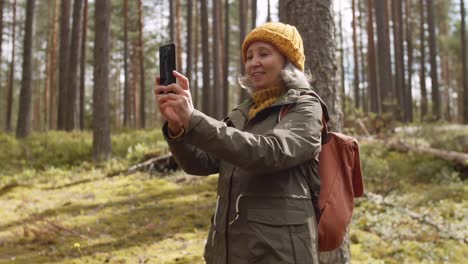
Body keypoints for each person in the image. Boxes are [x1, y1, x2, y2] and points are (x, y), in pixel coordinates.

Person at [155, 22, 325, 264]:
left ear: (288, 61)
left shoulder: (305, 107)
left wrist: (194, 119)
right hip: (229, 250)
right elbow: (201, 163)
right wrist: (178, 127)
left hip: (278, 252)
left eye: (264, 54)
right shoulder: (244, 113)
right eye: (249, 56)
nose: (253, 62)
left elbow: (268, 152)